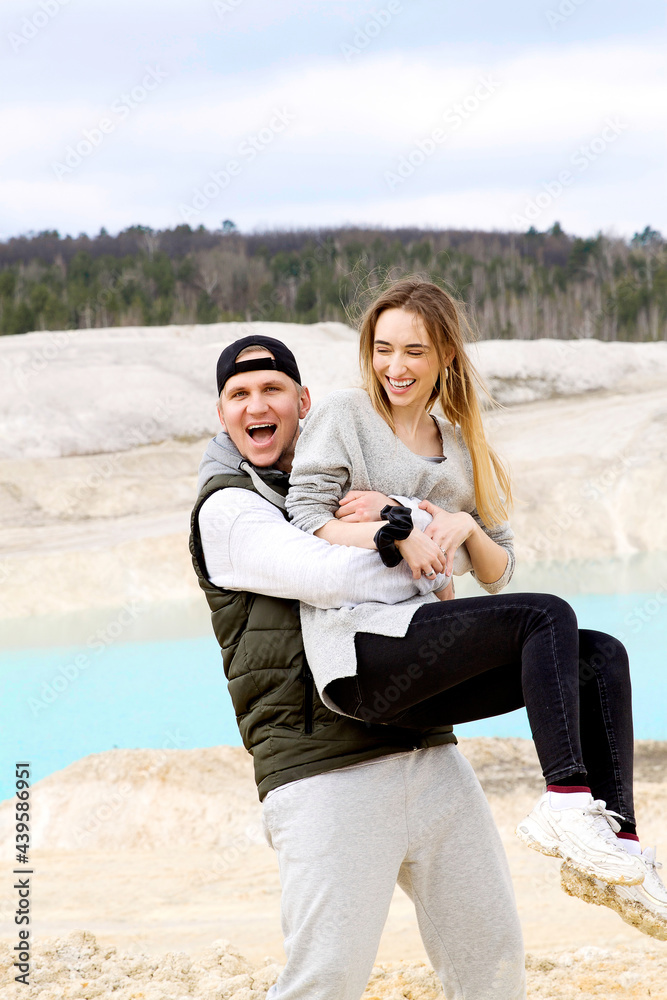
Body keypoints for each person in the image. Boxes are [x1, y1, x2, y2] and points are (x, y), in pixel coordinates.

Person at [285, 277, 667, 939]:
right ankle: (565, 799)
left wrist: (461, 524)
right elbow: (305, 519)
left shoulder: (461, 444)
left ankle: (617, 850)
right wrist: (398, 529)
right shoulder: (346, 416)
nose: (394, 367)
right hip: (362, 654)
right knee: (544, 614)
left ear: (445, 358)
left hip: (424, 662)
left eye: (413, 352)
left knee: (599, 653)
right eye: (382, 349)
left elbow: (498, 568)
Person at [190, 334, 527, 999]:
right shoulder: (228, 508)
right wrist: (417, 542)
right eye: (239, 394)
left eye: (271, 389)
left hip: (425, 751)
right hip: (324, 770)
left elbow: (460, 556)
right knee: (326, 980)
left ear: (302, 403)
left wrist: (419, 531)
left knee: (490, 956)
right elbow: (332, 575)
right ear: (222, 413)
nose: (256, 405)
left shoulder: (343, 483)